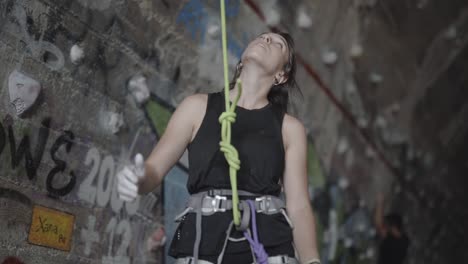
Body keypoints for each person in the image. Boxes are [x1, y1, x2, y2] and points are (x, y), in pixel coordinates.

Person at [117, 32, 320, 264]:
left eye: (278, 44)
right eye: (262, 37)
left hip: (269, 246)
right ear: (241, 61)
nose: (265, 40)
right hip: (203, 241)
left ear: (281, 75)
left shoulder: (289, 128)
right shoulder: (196, 107)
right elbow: (154, 170)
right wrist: (138, 179)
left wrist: (312, 260)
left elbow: (299, 205)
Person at [374, 194, 410, 264]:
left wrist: (380, 203)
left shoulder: (392, 241)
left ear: (392, 226)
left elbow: (378, 224)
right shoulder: (404, 240)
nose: (385, 227)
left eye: (386, 225)